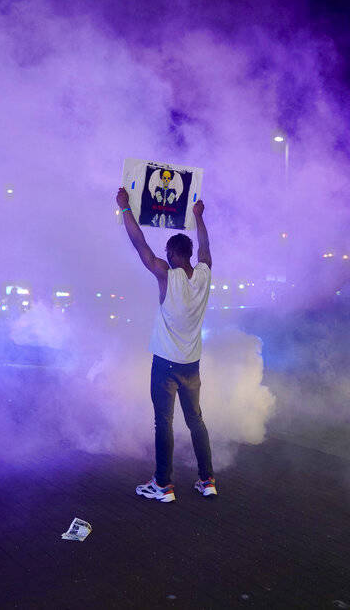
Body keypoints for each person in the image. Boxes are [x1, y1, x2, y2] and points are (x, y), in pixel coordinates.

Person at [116, 187, 217, 502]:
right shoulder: (203, 275)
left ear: (173, 254)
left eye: (168, 254)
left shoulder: (166, 276)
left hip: (165, 365)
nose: (167, 258)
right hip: (192, 365)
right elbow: (205, 246)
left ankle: (163, 485)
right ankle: (207, 480)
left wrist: (125, 208)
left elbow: (139, 245)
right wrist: (199, 217)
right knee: (196, 421)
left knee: (164, 424)